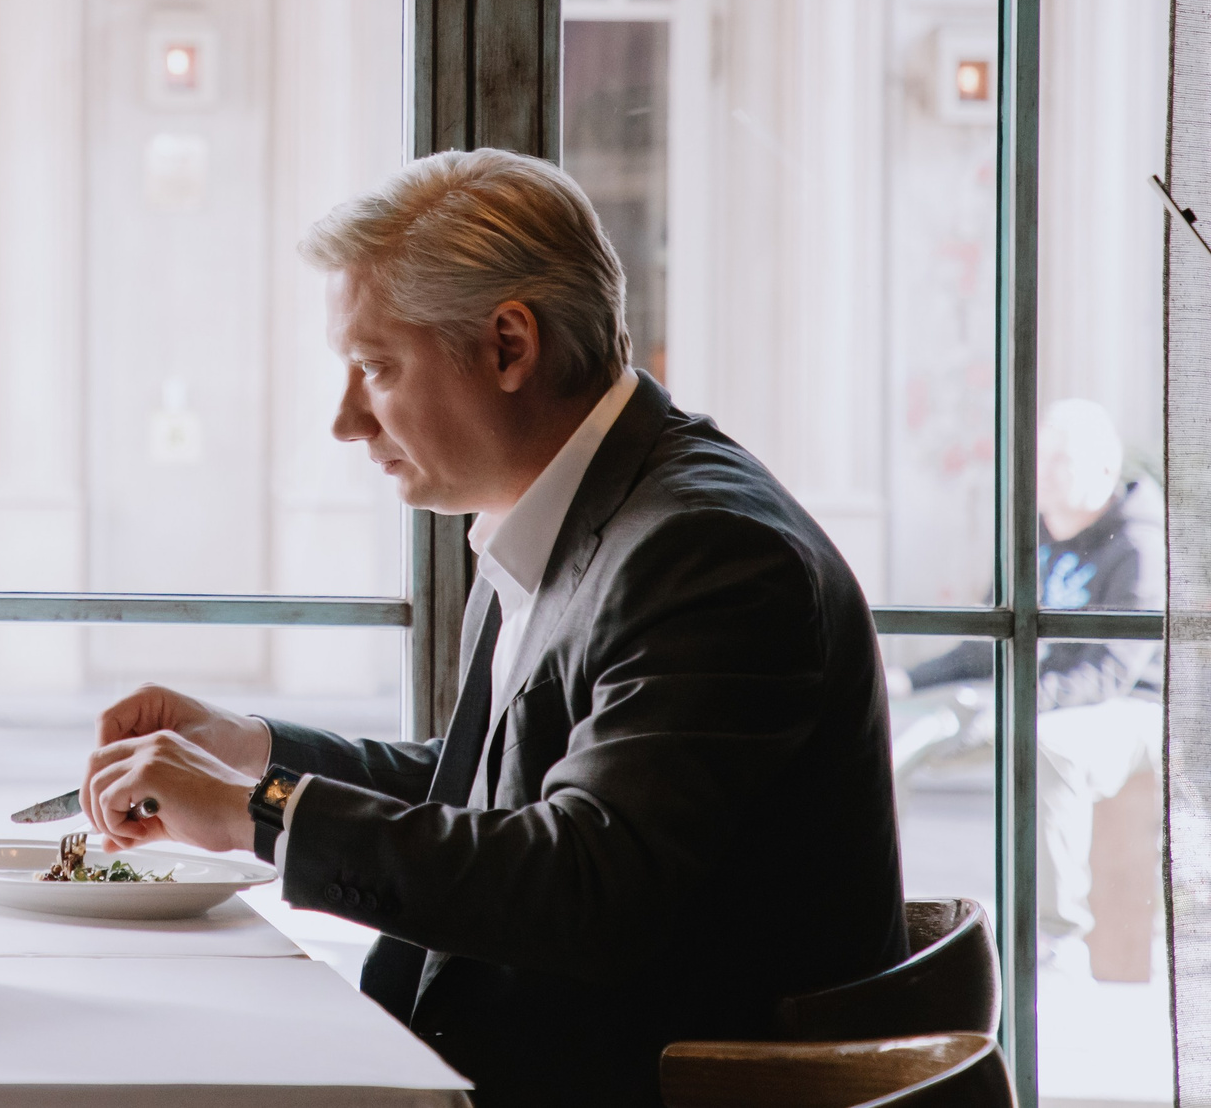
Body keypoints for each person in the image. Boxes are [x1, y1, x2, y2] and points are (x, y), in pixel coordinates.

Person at [81, 149, 906, 1105]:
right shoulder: (574, 507)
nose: (347, 421)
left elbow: (587, 883)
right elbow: (491, 787)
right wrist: (249, 755)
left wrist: (259, 811)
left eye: (375, 367)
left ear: (510, 346)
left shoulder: (707, 552)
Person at [896, 396, 1164, 961]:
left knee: (1051, 748)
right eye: (1038, 461)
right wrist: (908, 680)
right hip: (1037, 696)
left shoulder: (1140, 541)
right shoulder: (1029, 533)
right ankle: (881, 909)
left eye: (1058, 462)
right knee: (902, 738)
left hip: (1132, 709)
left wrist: (1016, 705)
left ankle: (1055, 939)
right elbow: (984, 643)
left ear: (1104, 471)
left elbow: (1110, 673)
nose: (1040, 476)